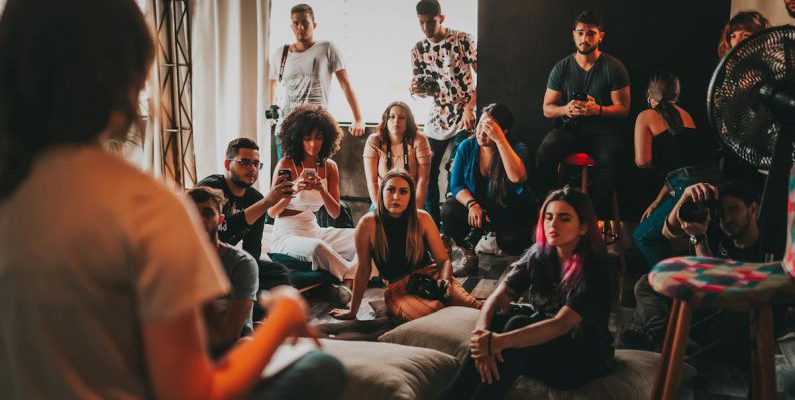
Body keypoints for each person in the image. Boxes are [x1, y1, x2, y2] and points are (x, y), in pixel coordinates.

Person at [0, 1, 345, 399]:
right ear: (128, 76)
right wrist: (284, 316)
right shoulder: (146, 206)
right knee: (323, 367)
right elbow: (194, 392)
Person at [440, 188, 615, 400]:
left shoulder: (594, 269)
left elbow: (560, 324)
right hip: (546, 340)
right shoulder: (540, 254)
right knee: (499, 320)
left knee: (516, 327)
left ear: (584, 227)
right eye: (548, 217)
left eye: (565, 218)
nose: (553, 224)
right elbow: (498, 297)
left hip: (584, 354)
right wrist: (482, 336)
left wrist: (499, 342)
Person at [625, 181, 785, 357]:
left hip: (737, 314)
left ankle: (661, 343)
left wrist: (699, 238)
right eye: (722, 213)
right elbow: (667, 232)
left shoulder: (772, 241)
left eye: (734, 209)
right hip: (708, 305)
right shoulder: (718, 228)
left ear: (753, 210)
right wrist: (685, 196)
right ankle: (662, 342)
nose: (727, 219)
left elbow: (716, 285)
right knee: (645, 285)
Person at [329, 170, 481, 322]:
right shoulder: (368, 224)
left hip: (431, 275)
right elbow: (363, 270)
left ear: (410, 196)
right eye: (391, 190)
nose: (396, 197)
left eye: (403, 192)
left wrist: (445, 281)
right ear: (382, 192)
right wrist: (352, 311)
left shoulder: (422, 218)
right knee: (435, 311)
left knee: (475, 308)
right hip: (398, 290)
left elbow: (443, 261)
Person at [535, 10, 630, 217]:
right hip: (569, 131)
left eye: (590, 34)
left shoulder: (614, 68)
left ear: (600, 36)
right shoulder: (562, 67)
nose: (584, 39)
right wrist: (565, 109)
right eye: (580, 33)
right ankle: (551, 212)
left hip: (603, 134)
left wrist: (599, 110)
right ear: (573, 34)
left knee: (615, 158)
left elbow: (623, 109)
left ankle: (586, 216)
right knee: (545, 151)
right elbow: (547, 108)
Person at [631, 72, 722, 270]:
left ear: (649, 97)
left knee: (642, 236)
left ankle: (669, 284)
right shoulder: (687, 115)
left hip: (687, 186)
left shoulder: (645, 116)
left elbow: (642, 161)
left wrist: (659, 163)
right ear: (676, 95)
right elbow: (685, 169)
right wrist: (657, 200)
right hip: (711, 182)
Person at [268, 104, 356, 304]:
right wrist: (292, 192)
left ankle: (342, 278)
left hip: (313, 228)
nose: (313, 144)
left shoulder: (330, 167)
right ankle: (352, 277)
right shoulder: (286, 164)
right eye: (307, 138)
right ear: (298, 138)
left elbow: (334, 214)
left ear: (327, 138)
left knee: (361, 236)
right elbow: (272, 212)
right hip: (286, 234)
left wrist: (322, 190)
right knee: (318, 248)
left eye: (318, 137)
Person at [442, 103, 535, 276]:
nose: (481, 132)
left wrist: (500, 140)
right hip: (477, 209)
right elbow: (456, 185)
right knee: (449, 209)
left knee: (512, 242)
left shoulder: (517, 149)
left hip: (506, 210)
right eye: (480, 126)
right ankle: (469, 255)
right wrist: (471, 204)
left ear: (504, 131)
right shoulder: (467, 147)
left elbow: (518, 178)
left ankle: (508, 253)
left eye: (489, 128)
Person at [268, 2, 365, 160]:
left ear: (314, 24)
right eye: (296, 23)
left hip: (316, 129)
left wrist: (358, 118)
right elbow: (271, 82)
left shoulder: (327, 48)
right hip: (288, 128)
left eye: (305, 22)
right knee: (288, 178)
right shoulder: (281, 53)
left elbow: (345, 84)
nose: (301, 27)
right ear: (291, 26)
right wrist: (270, 111)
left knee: (317, 178)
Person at [411, 0, 478, 225]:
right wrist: (415, 89)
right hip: (438, 114)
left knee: (454, 168)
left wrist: (470, 107)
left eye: (430, 22)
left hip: (465, 111)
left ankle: (453, 224)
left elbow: (486, 76)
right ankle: (433, 225)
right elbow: (425, 90)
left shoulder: (462, 39)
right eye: (421, 23)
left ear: (441, 18)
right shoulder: (418, 50)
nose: (426, 27)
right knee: (426, 168)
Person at [198, 138, 292, 297]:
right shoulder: (211, 189)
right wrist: (267, 203)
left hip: (230, 264)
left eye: (256, 164)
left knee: (279, 272)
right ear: (228, 164)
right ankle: (252, 305)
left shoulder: (256, 199)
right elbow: (221, 231)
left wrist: (249, 272)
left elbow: (252, 250)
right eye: (245, 163)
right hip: (203, 262)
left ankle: (252, 302)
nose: (252, 169)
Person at [187, 186, 259, 355]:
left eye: (207, 213)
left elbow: (230, 334)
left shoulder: (242, 264)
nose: (199, 220)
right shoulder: (175, 260)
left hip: (231, 347)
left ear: (220, 220)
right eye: (191, 213)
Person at [715, 11, 770, 195]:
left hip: (756, 161)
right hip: (732, 157)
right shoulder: (729, 76)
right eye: (733, 36)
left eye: (745, 36)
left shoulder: (766, 76)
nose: (736, 42)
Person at [363, 101, 431, 210]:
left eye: (401, 117)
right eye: (392, 117)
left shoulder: (419, 140)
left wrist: (416, 211)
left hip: (411, 201)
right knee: (370, 223)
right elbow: (372, 182)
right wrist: (380, 210)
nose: (396, 121)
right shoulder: (375, 141)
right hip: (383, 200)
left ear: (408, 121)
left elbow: (423, 180)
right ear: (386, 120)